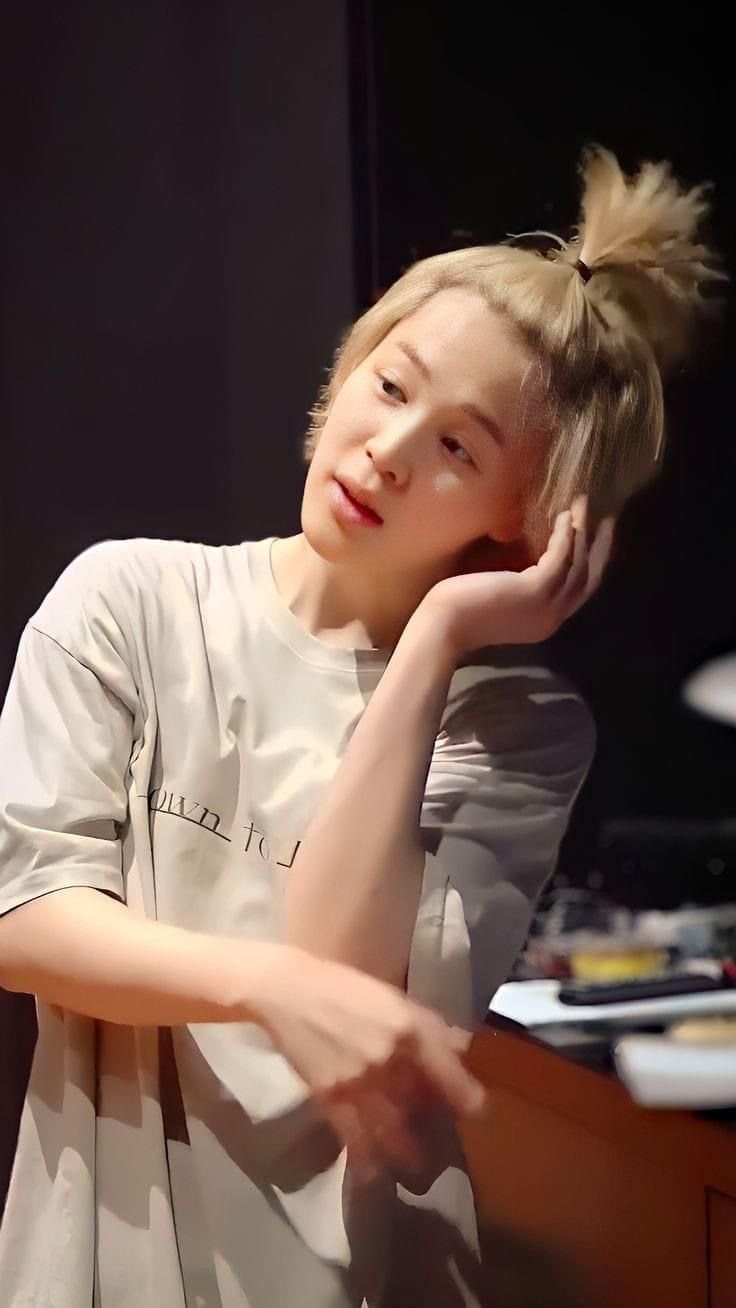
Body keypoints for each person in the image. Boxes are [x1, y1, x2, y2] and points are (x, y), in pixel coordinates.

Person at [0, 145, 720, 1307]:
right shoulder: (129, 600)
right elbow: (27, 916)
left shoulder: (517, 726)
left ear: (525, 522)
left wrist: (434, 639)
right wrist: (262, 985)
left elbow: (347, 972)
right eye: (391, 386)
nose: (385, 452)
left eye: (458, 449)